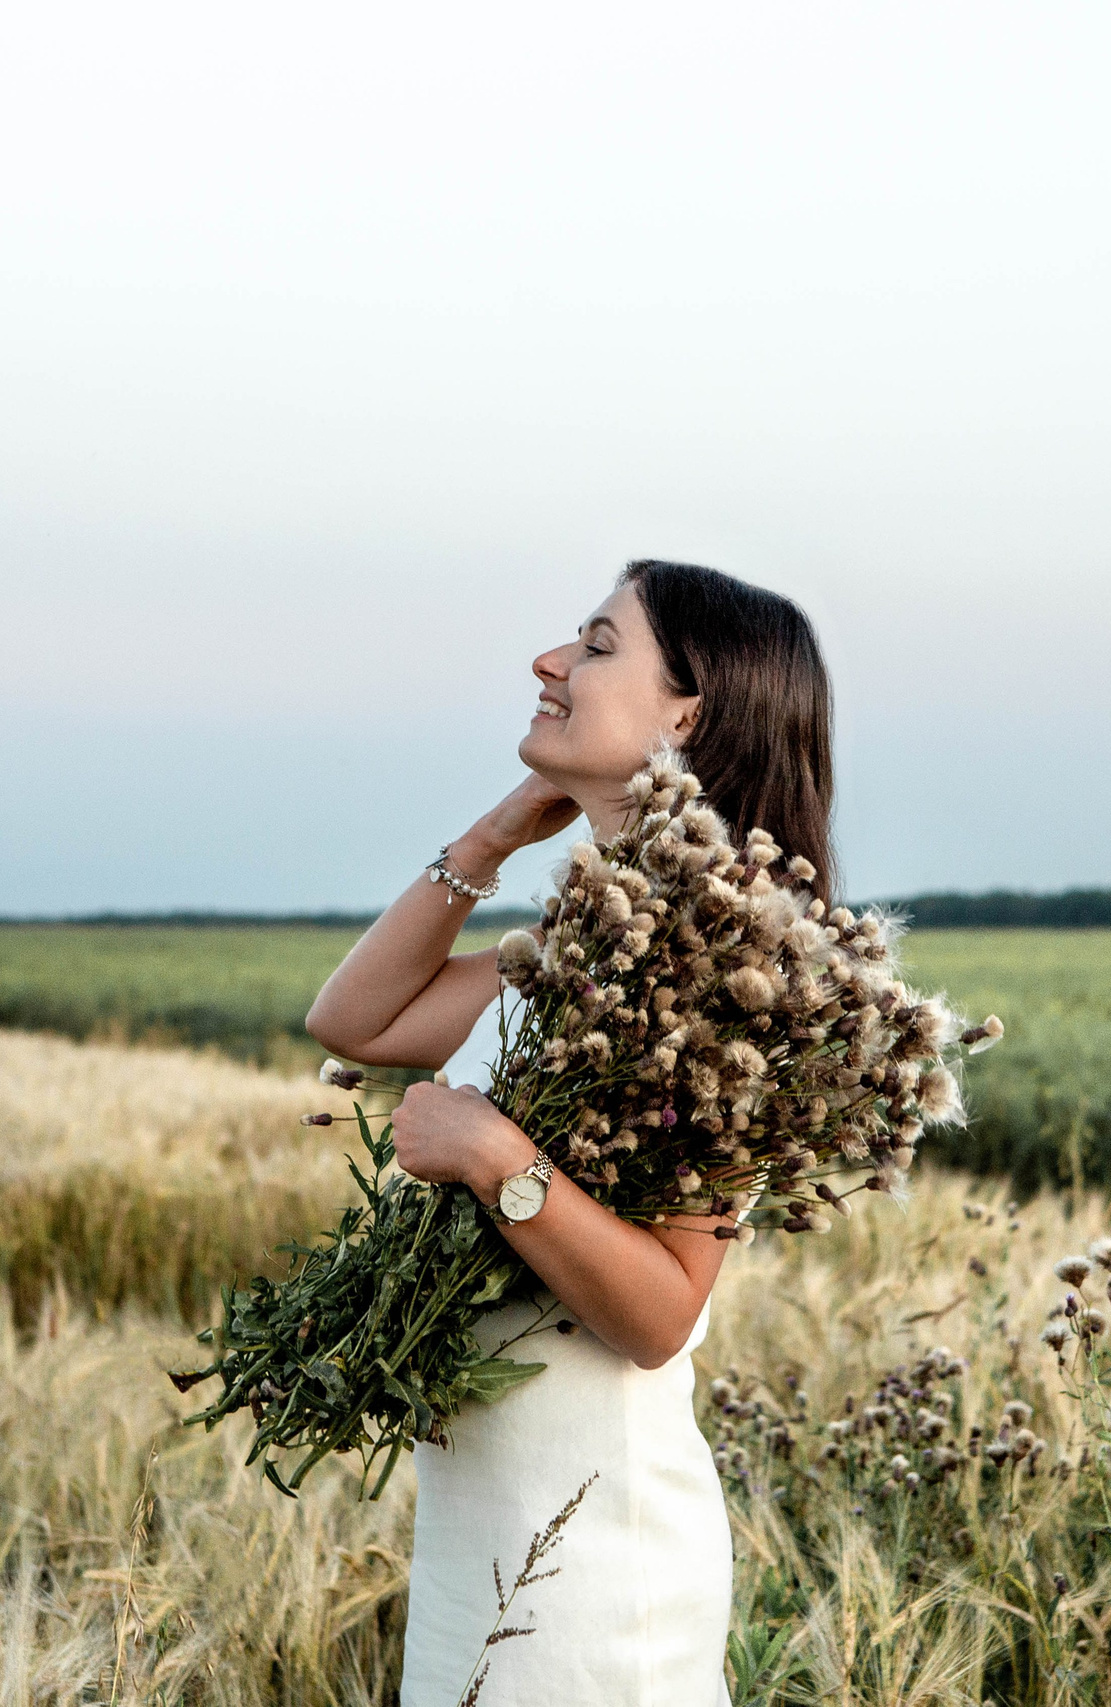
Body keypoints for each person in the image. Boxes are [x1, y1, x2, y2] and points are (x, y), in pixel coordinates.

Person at [304, 559, 839, 1706]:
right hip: (480, 1538)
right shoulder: (579, 946)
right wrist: (493, 836)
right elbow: (353, 1021)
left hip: (594, 1571)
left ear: (685, 715)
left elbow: (661, 1315)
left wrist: (490, 1153)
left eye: (596, 646)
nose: (549, 661)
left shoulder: (725, 977)